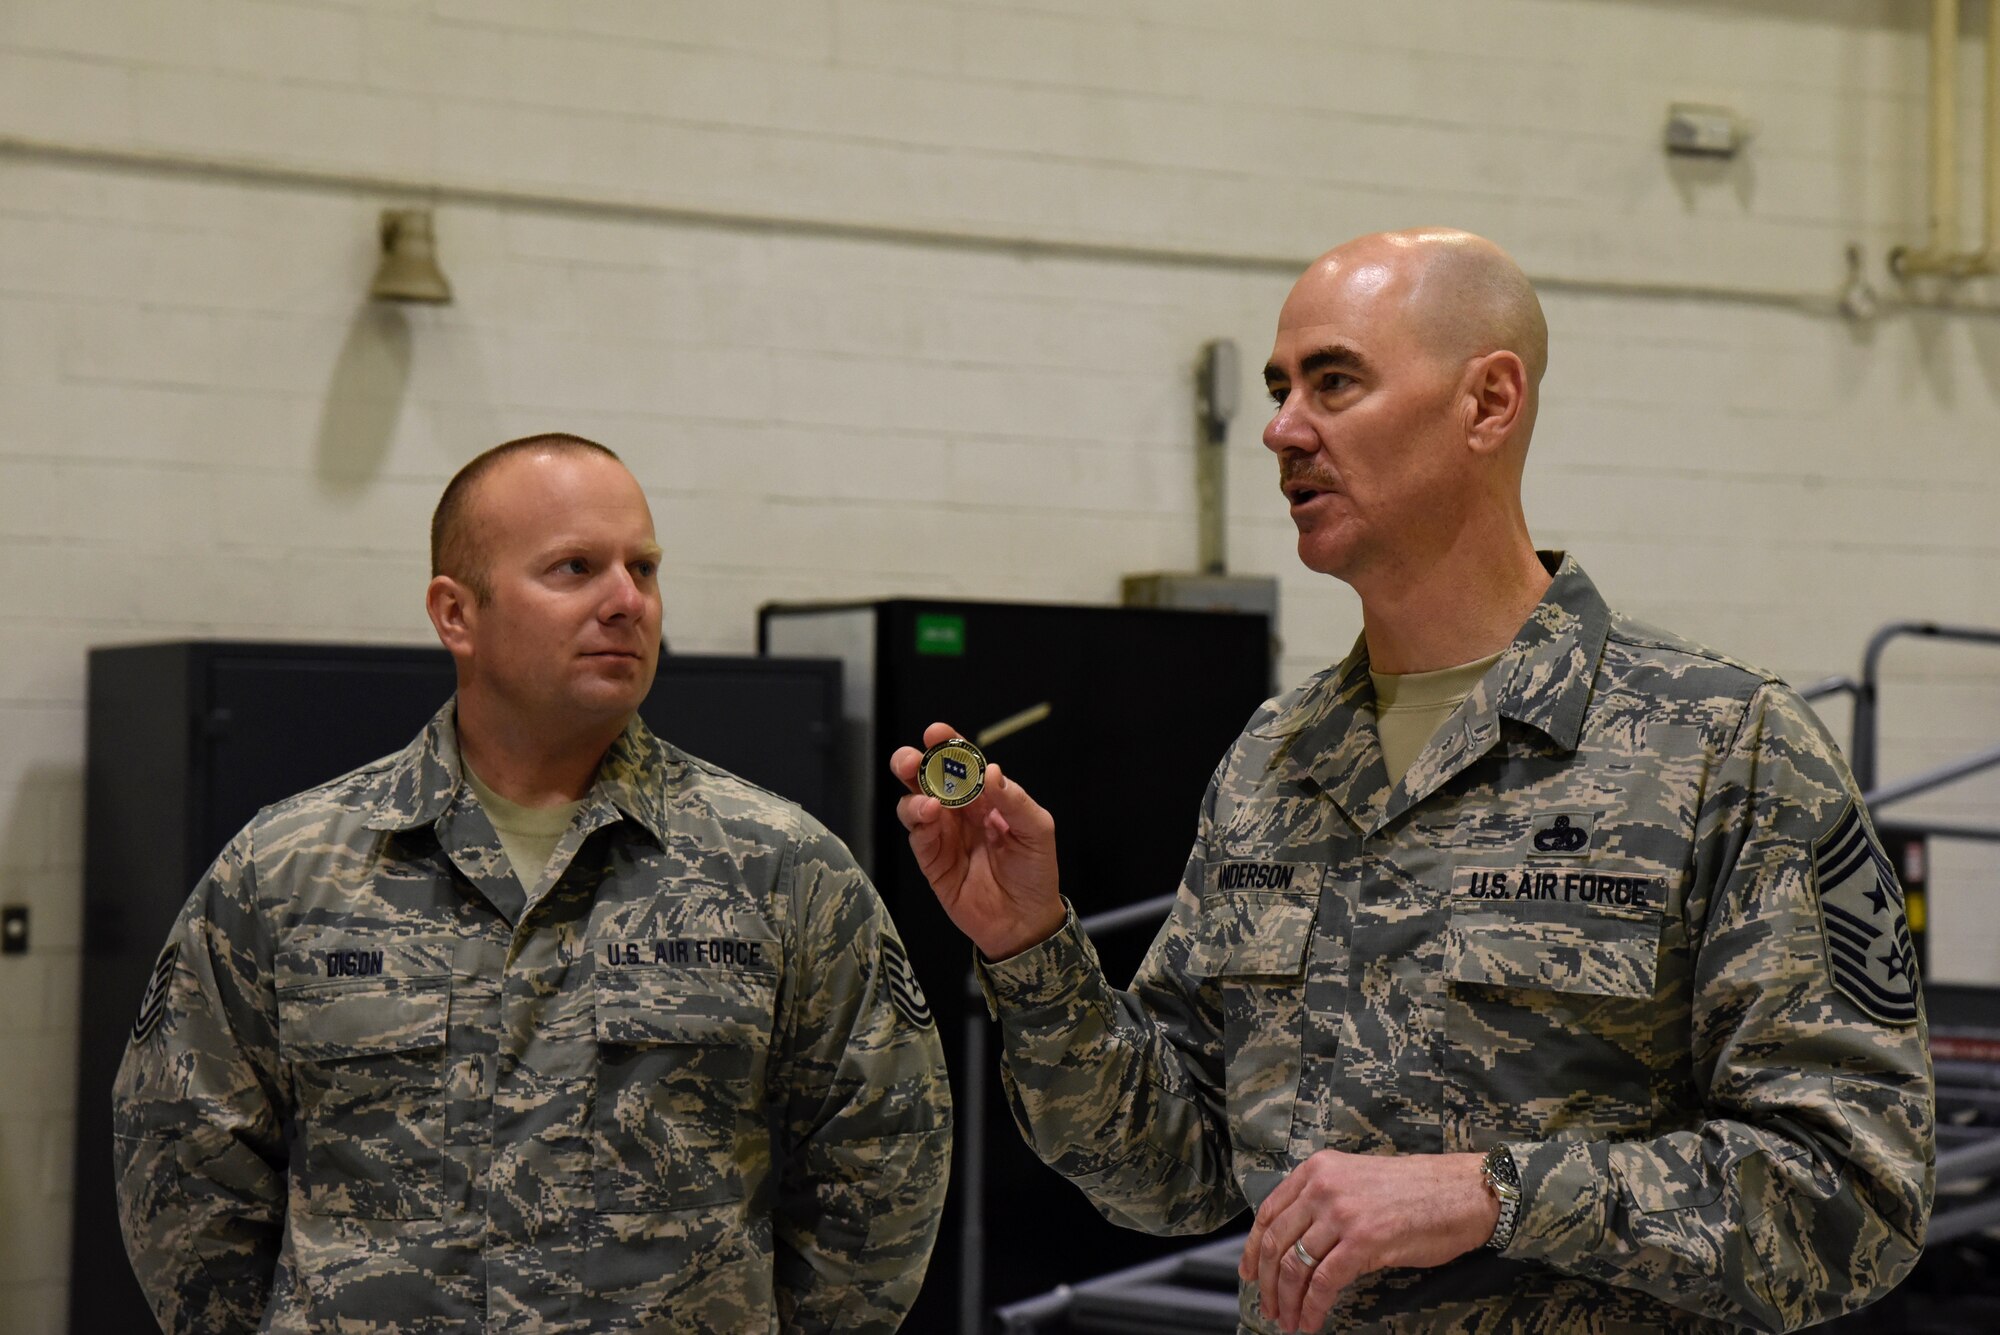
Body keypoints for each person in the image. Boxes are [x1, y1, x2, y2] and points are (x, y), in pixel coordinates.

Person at [891, 231, 1933, 1334]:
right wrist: (1031, 948)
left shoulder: (1724, 746)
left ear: (1487, 403)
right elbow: (1166, 1172)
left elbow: (1854, 1194)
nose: (1281, 429)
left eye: (1333, 381)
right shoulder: (1273, 761)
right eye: (1278, 389)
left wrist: (1491, 1195)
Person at [115, 433, 951, 1333]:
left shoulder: (780, 867)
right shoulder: (287, 870)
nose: (626, 600)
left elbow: (886, 1154)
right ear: (455, 613)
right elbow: (182, 1167)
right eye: (576, 567)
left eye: (645, 567)